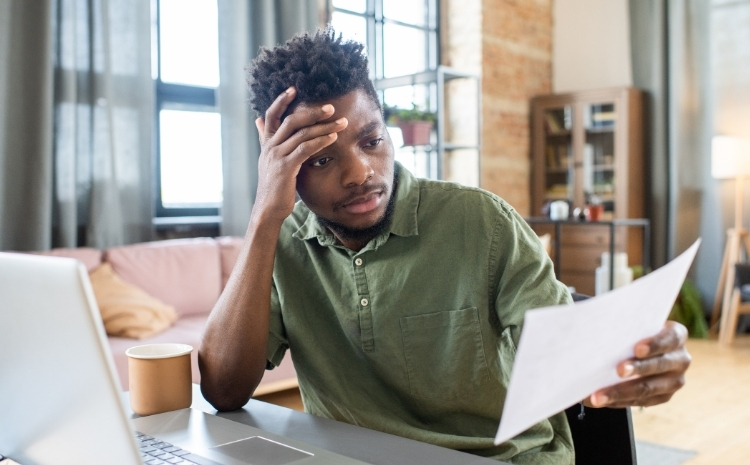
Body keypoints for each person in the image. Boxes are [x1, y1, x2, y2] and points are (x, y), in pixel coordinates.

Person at [199, 28, 691, 464]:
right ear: (281, 166)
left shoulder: (481, 222)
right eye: (322, 161)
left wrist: (642, 356)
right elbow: (222, 391)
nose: (361, 173)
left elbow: (570, 346)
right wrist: (265, 216)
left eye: (371, 141)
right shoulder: (282, 241)